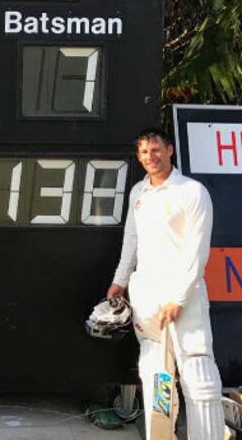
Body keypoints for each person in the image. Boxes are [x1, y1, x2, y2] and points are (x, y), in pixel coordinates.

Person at [107, 127, 224, 439]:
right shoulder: (138, 193)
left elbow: (198, 251)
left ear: (170, 150)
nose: (150, 157)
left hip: (185, 296)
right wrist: (119, 281)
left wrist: (179, 298)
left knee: (198, 376)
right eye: (144, 152)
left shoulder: (192, 191)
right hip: (146, 293)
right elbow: (131, 240)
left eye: (156, 149)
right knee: (156, 373)